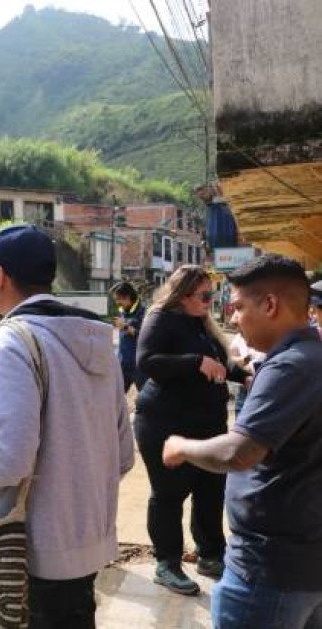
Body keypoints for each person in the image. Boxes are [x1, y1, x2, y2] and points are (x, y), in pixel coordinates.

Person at [0, 224, 134, 628]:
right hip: (84, 553)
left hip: (25, 560)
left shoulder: (12, 341)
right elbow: (121, 457)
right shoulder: (98, 341)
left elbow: (4, 464)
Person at [163, 254, 322, 628]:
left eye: (237, 308)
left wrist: (181, 447)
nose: (232, 319)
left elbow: (240, 452)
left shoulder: (291, 366)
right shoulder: (311, 356)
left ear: (270, 305)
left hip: (270, 568)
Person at [133, 264, 248, 596]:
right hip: (166, 423)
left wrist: (245, 374)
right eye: (205, 295)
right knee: (170, 494)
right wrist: (194, 362)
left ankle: (210, 554)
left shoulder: (201, 324)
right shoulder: (160, 318)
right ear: (182, 295)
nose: (210, 302)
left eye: (211, 295)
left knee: (210, 490)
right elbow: (147, 361)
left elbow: (219, 364)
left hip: (207, 423)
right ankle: (167, 563)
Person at [110, 281, 147, 393]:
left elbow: (146, 337)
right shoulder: (123, 312)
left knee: (145, 398)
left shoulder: (144, 312)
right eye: (116, 299)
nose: (117, 302)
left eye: (119, 299)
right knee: (116, 397)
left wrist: (126, 327)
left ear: (128, 297)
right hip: (123, 364)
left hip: (139, 366)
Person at [228, 330, 264, 418]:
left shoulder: (274, 333)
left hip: (264, 387)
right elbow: (230, 360)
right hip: (245, 389)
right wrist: (247, 359)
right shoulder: (240, 336)